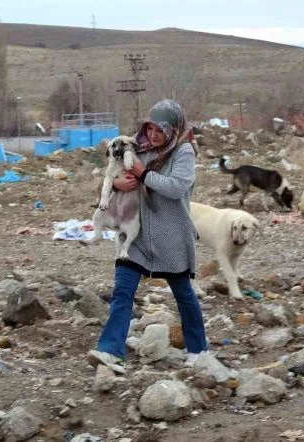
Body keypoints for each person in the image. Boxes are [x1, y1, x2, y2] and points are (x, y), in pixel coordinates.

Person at [87, 99, 208, 374]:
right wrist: (117, 183)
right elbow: (113, 172)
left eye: (160, 130)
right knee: (122, 290)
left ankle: (199, 350)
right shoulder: (137, 148)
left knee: (183, 293)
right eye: (150, 128)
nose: (153, 135)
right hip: (137, 235)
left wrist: (143, 174)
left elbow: (176, 187)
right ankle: (111, 351)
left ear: (173, 129)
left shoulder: (183, 152)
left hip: (171, 234)